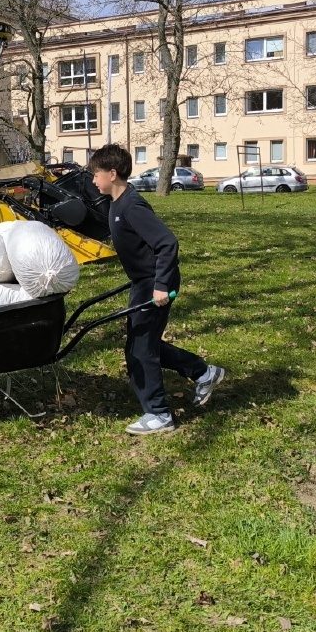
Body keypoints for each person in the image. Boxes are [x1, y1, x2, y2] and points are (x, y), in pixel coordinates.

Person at [88, 144, 225, 436]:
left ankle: (159, 414)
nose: (93, 180)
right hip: (144, 281)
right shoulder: (115, 204)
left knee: (141, 349)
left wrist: (160, 286)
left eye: (96, 174)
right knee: (142, 345)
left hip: (156, 283)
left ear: (112, 174)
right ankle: (203, 372)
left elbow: (167, 243)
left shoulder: (131, 206)